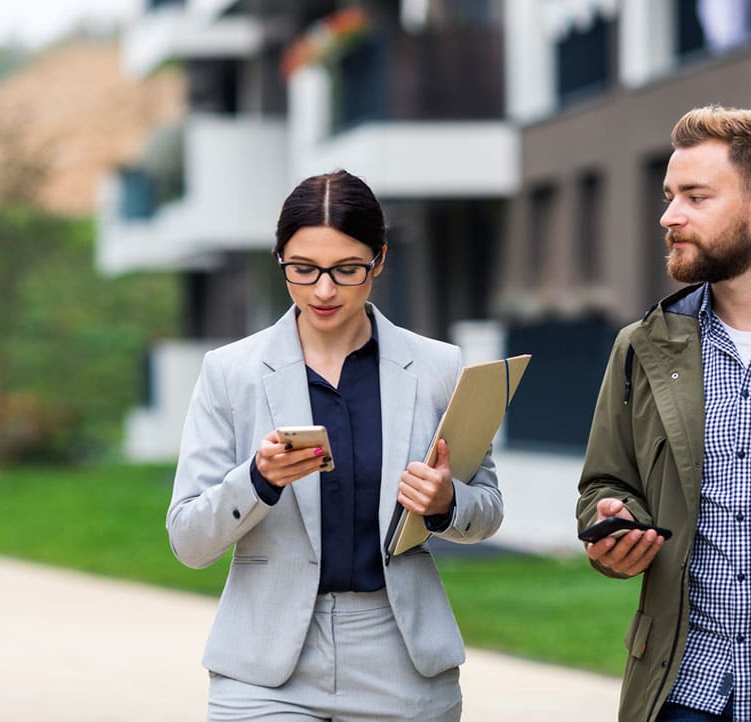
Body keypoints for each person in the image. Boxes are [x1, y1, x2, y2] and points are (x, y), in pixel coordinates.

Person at [168, 170, 504, 721]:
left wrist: (446, 504)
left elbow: (487, 510)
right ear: (280, 260)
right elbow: (188, 540)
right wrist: (257, 480)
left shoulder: (440, 367)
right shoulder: (231, 372)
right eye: (303, 270)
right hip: (263, 666)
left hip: (401, 658)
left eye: (347, 270)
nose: (324, 291)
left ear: (380, 261)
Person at [577, 104, 751, 722]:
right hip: (681, 694)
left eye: (695, 197)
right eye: (669, 196)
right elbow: (603, 486)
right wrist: (613, 524)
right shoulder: (641, 346)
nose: (669, 216)